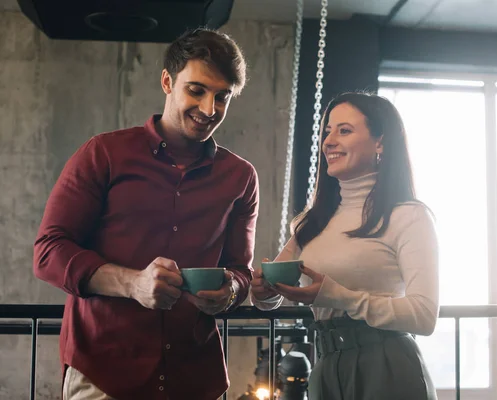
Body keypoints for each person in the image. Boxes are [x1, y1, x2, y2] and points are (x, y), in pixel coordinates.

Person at [33, 28, 259, 400]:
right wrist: (133, 284)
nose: (209, 109)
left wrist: (231, 289)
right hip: (103, 374)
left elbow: (240, 270)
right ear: (167, 81)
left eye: (222, 97)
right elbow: (48, 252)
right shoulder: (103, 154)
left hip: (196, 378)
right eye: (197, 90)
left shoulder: (241, 177)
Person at [250, 92, 439, 399]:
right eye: (328, 132)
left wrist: (339, 296)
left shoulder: (409, 216)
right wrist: (263, 292)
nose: (329, 141)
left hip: (387, 364)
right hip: (324, 366)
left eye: (344, 130)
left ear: (380, 142)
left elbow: (424, 315)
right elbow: (273, 292)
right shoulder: (311, 223)